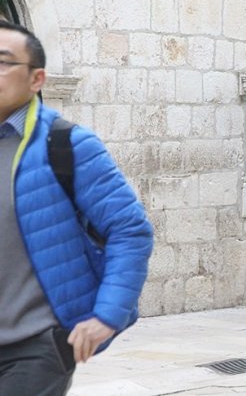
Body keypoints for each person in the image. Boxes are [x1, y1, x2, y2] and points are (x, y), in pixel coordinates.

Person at [0, 21, 153, 395]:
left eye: (3, 62)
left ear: (37, 79)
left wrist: (108, 315)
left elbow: (129, 229)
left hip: (35, 346)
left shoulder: (66, 144)